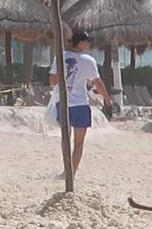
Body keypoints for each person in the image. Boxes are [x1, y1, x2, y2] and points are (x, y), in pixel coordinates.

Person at [48, 30, 112, 173]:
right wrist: (107, 98)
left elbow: (52, 81)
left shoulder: (60, 57)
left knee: (65, 139)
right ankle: (70, 173)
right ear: (81, 43)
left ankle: (66, 170)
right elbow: (98, 83)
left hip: (62, 103)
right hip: (80, 104)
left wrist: (65, 75)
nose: (89, 45)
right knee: (78, 143)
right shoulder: (88, 60)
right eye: (88, 42)